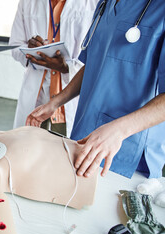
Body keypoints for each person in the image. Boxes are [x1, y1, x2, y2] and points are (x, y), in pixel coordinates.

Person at [26, 0, 165, 179]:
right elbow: (95, 63)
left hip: (127, 152)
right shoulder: (105, 4)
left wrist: (119, 130)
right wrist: (56, 101)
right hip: (85, 136)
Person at [9, 0, 97, 136]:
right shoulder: (27, 2)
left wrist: (67, 68)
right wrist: (30, 50)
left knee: (67, 152)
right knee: (28, 149)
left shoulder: (94, 3)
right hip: (36, 100)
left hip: (70, 102)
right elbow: (15, 46)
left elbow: (96, 54)